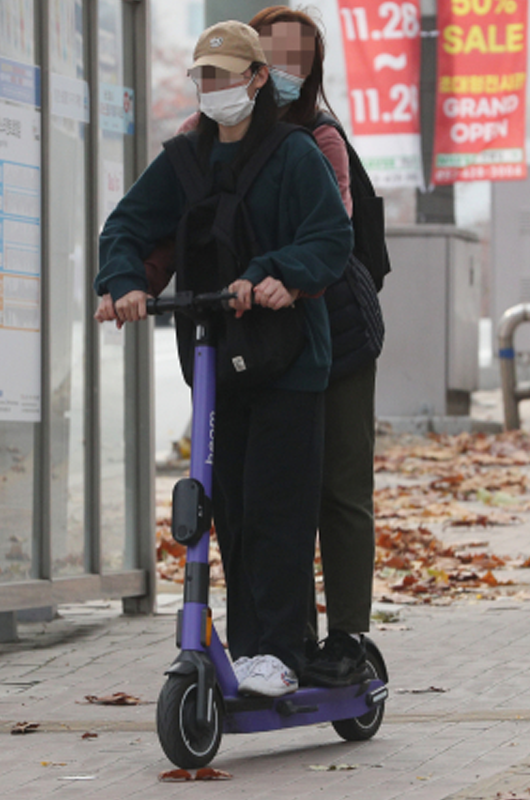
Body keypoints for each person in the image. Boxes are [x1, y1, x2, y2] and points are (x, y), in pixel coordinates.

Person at [94, 20, 353, 697]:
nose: (213, 88)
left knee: (277, 507)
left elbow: (331, 237)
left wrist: (279, 273)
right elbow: (127, 224)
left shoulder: (295, 154)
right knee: (229, 510)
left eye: (225, 75)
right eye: (203, 77)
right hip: (217, 359)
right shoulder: (185, 158)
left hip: (291, 360)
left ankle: (281, 650)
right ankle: (250, 648)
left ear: (258, 78)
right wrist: (122, 282)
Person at [247, 5, 381, 687]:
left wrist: (279, 276)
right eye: (272, 58)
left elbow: (331, 227)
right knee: (277, 487)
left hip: (340, 335)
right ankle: (282, 638)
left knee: (338, 485)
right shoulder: (211, 137)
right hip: (267, 343)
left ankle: (348, 636)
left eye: (298, 61)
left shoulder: (320, 137)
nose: (283, 73)